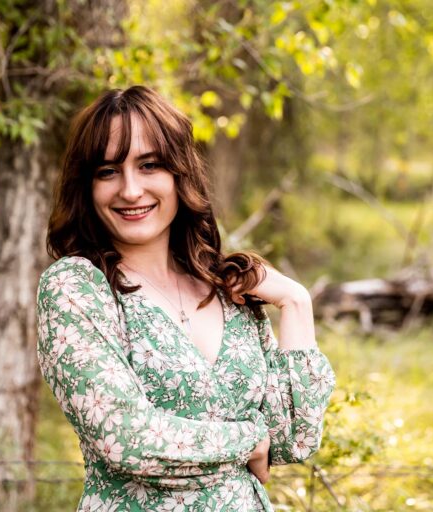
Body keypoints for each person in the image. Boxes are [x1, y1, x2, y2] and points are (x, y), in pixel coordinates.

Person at [36, 85, 336, 511]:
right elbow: (126, 439)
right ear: (87, 187)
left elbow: (294, 439)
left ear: (180, 174)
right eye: (108, 171)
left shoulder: (225, 288)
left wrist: (294, 300)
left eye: (149, 165)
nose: (131, 190)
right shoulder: (77, 288)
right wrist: (248, 439)